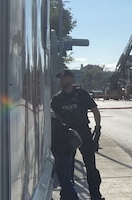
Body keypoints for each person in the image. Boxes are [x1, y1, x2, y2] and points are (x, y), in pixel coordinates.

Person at [51, 69, 105, 200]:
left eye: (64, 78)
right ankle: (67, 196)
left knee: (91, 167)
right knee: (67, 169)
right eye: (60, 78)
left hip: (84, 134)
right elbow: (53, 117)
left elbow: (95, 111)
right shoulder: (57, 99)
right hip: (66, 138)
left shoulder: (82, 95)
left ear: (72, 80)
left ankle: (95, 195)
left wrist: (97, 130)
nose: (61, 80)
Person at [51, 110, 80, 200]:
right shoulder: (56, 120)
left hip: (56, 154)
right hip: (66, 152)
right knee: (66, 183)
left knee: (47, 183)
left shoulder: (43, 121)